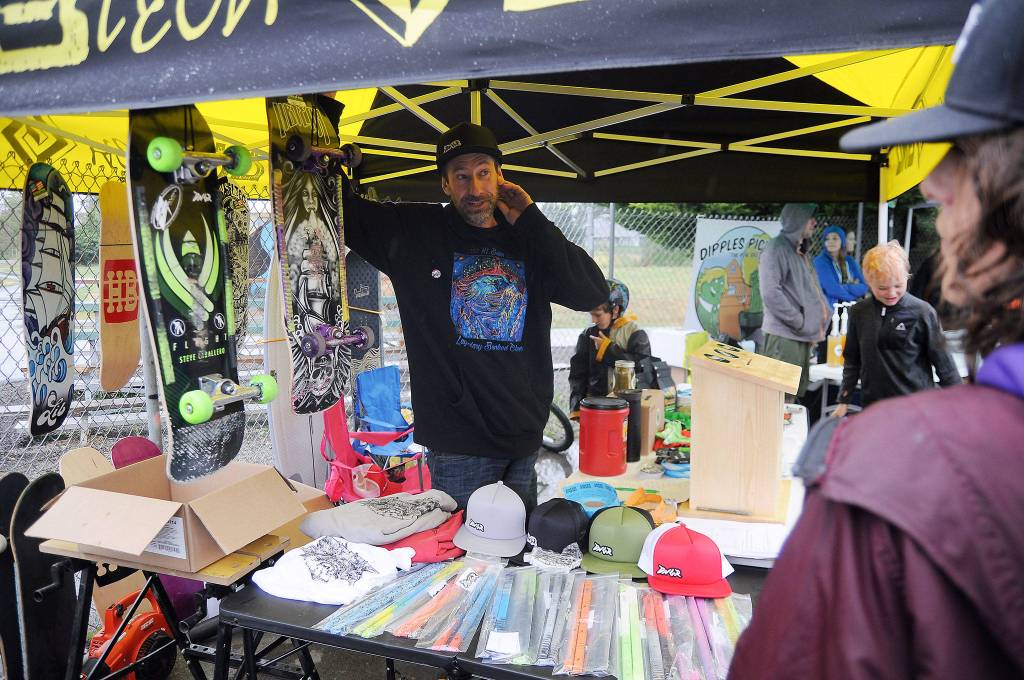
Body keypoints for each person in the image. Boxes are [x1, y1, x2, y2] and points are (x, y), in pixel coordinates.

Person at [728, 1, 1024, 677]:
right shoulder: (833, 290)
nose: (935, 181)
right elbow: (847, 350)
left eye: (971, 153)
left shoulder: (893, 474)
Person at [342, 121, 608, 511]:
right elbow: (343, 213)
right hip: (459, 444)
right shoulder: (417, 234)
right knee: (465, 546)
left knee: (518, 544)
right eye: (461, 176)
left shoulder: (528, 236)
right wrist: (324, 163)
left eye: (484, 173)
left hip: (523, 435)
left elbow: (592, 292)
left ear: (500, 176)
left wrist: (532, 218)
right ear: (445, 185)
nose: (475, 188)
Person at [832, 241, 961, 418]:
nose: (891, 293)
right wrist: (844, 400)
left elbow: (944, 363)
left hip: (916, 410)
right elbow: (852, 360)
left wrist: (959, 403)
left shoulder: (922, 312)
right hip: (874, 409)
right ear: (869, 282)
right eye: (882, 288)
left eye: (898, 285)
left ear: (907, 277)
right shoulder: (859, 313)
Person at [758, 202, 830, 399]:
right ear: (797, 220)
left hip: (799, 337)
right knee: (779, 398)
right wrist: (800, 322)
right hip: (784, 339)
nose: (814, 223)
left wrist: (812, 325)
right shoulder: (776, 248)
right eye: (809, 218)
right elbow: (771, 294)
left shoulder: (799, 251)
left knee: (793, 397)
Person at [567, 278, 652, 417]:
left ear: (615, 310)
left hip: (626, 407)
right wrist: (577, 407)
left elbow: (641, 367)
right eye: (591, 314)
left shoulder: (634, 333)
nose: (593, 320)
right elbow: (578, 375)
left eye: (598, 314)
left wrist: (607, 350)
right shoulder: (588, 335)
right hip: (596, 405)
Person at [812, 224, 868, 308]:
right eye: (827, 239)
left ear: (842, 241)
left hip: (849, 306)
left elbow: (864, 286)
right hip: (830, 308)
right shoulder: (820, 261)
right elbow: (832, 289)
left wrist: (845, 287)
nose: (830, 242)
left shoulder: (850, 261)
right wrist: (854, 296)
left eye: (835, 238)